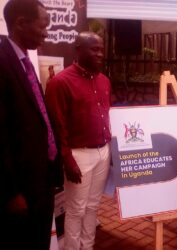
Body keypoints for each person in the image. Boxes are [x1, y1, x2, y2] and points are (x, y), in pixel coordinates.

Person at [0, 1, 63, 249]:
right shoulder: (3, 64)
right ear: (21, 23)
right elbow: (1, 135)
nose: (47, 33)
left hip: (41, 179)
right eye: (43, 26)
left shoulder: (24, 61)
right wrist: (10, 192)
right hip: (20, 189)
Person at [45, 31, 112, 250]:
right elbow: (57, 126)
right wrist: (67, 159)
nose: (100, 54)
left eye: (101, 49)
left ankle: (88, 246)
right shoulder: (60, 82)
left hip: (103, 151)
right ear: (78, 49)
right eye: (94, 49)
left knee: (93, 206)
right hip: (78, 155)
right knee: (76, 209)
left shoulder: (104, 81)